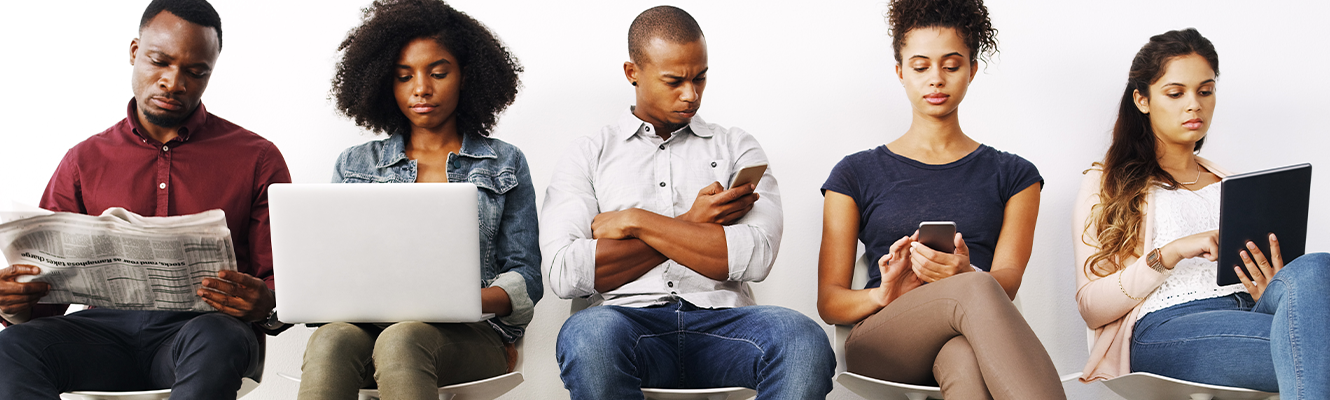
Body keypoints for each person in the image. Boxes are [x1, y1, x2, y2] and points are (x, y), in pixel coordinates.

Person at [0, 0, 291, 398]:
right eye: (160, 61)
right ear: (135, 51)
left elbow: (282, 286)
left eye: (196, 72)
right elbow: (45, 298)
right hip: (101, 338)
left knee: (217, 335)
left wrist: (266, 305)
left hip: (201, 334)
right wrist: (12, 303)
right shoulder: (84, 160)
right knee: (10, 348)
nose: (174, 82)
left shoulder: (257, 158)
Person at [541, 6, 834, 399]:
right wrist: (695, 222)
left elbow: (755, 257)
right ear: (632, 72)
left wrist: (635, 221)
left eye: (700, 77)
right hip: (624, 324)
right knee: (587, 337)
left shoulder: (736, 147)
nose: (691, 94)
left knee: (802, 339)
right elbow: (565, 272)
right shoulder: (587, 154)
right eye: (674, 81)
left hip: (727, 326)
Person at [815, 0, 1066, 398]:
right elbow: (830, 302)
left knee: (962, 356)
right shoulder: (854, 173)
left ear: (972, 71)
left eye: (951, 66)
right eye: (920, 67)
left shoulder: (1015, 175)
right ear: (900, 72)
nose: (936, 79)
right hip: (883, 340)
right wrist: (885, 293)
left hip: (970, 334)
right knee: (977, 288)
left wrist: (965, 273)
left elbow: (1008, 282)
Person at [296, 0, 541, 398]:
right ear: (384, 82)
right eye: (403, 76)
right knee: (330, 341)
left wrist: (459, 301)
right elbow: (334, 269)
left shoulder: (504, 162)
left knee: (402, 340)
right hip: (366, 330)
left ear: (466, 75)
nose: (421, 88)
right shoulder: (355, 165)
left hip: (471, 335)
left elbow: (525, 277)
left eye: (438, 73)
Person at [1074, 28, 1330, 399]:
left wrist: (1271, 286)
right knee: (1315, 346)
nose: (1194, 105)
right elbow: (1091, 307)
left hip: (1251, 313)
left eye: (1205, 91)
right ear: (1142, 100)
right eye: (1176, 93)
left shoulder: (1234, 185)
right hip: (1168, 326)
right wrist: (1170, 253)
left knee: (1315, 268)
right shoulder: (1108, 182)